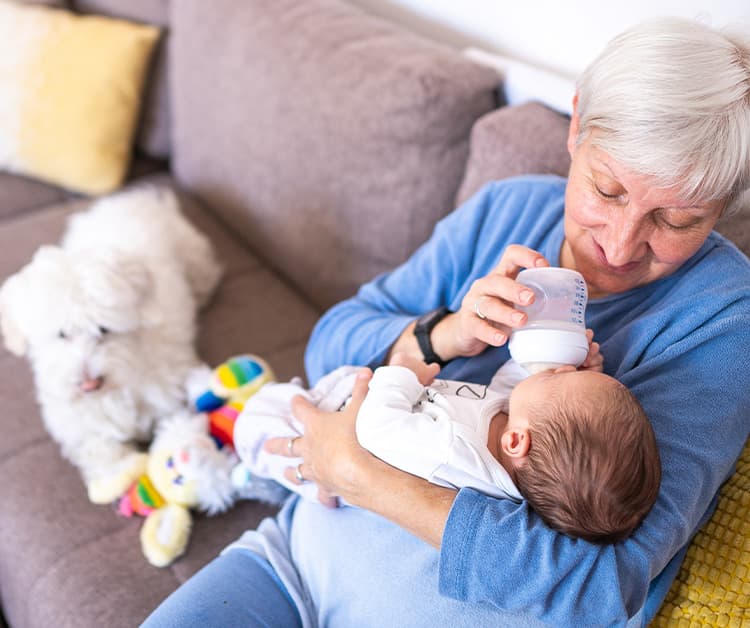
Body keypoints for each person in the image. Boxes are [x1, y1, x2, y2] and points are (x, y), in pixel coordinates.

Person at [143, 16, 750, 627]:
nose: (619, 248)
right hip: (289, 568)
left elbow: (598, 588)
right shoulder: (508, 208)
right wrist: (442, 334)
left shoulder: (724, 318)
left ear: (724, 208)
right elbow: (329, 344)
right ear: (575, 130)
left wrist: (357, 472)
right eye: (608, 190)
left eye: (675, 221)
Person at [232, 347, 660, 544]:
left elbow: (378, 429)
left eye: (559, 378)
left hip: (334, 428)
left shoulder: (454, 451)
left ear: (518, 440)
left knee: (260, 419)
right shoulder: (506, 443)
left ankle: (244, 466)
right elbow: (507, 387)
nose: (562, 370)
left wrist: (401, 373)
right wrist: (541, 364)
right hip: (346, 412)